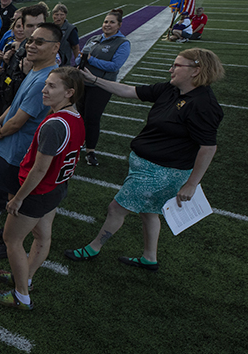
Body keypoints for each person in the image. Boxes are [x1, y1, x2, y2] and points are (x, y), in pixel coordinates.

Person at [65, 49, 225, 272]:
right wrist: (93, 80)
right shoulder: (172, 89)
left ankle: (93, 248)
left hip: (163, 172)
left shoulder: (203, 104)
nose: (171, 69)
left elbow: (208, 147)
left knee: (116, 208)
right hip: (148, 166)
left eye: (177, 65)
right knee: (148, 212)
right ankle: (150, 258)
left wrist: (191, 183)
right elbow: (130, 91)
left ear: (196, 71)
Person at [0, 67, 85, 310]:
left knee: (11, 239)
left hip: (37, 192)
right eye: (46, 84)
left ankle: (21, 295)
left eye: (52, 86)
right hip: (55, 189)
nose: (44, 90)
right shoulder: (75, 118)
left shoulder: (54, 124)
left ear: (69, 93)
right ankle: (26, 278)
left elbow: (40, 169)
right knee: (42, 237)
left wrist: (18, 199)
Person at [0, 21, 61, 260]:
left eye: (40, 42)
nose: (32, 45)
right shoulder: (36, 71)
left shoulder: (44, 79)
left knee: (15, 199)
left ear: (55, 47)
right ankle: (9, 233)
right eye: (31, 40)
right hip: (10, 146)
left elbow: (20, 121)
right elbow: (15, 105)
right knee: (7, 195)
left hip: (20, 152)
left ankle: (12, 242)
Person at [77, 9, 130, 167]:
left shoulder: (122, 43)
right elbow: (83, 56)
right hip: (83, 83)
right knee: (80, 116)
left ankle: (90, 151)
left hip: (101, 86)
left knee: (92, 118)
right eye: (106, 21)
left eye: (112, 22)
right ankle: (78, 143)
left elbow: (114, 66)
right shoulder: (95, 38)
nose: (107, 25)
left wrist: (91, 60)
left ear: (119, 25)